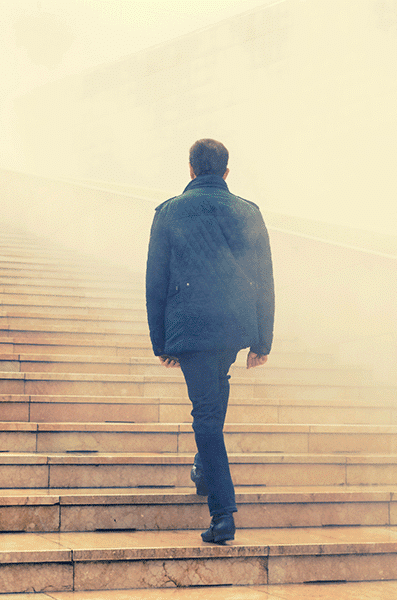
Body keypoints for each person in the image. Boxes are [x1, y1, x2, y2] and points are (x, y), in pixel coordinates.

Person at [145, 139, 275, 544]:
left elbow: (155, 281)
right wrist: (263, 340)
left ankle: (222, 513)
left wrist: (160, 342)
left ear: (190, 169)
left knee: (205, 414)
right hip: (234, 324)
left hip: (192, 325)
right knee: (214, 394)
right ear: (226, 172)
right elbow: (264, 277)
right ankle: (204, 469)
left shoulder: (169, 212)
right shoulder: (248, 212)